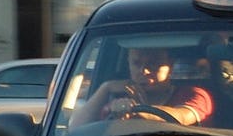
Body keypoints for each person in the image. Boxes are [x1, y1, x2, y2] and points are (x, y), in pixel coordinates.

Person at [70, 48, 214, 127]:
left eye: (153, 64)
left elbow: (181, 116)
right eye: (136, 64)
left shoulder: (194, 94)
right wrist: (105, 88)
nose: (144, 71)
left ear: (170, 65)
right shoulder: (115, 98)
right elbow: (76, 129)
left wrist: (135, 110)